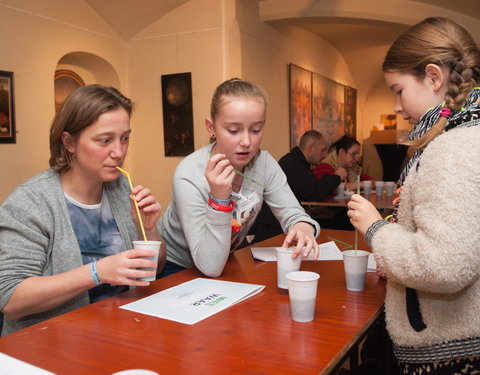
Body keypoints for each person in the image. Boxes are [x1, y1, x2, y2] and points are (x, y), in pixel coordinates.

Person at [347, 17, 480, 373]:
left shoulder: (453, 148)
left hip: (450, 354)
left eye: (398, 89)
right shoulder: (464, 134)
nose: (396, 106)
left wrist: (376, 229)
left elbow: (444, 264)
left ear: (434, 77)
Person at [0, 84, 166, 335]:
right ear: (69, 142)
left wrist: (150, 230)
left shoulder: (121, 190)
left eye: (124, 138)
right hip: (49, 343)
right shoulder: (31, 201)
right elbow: (10, 299)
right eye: (105, 140)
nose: (119, 152)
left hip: (120, 332)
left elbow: (158, 266)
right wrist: (97, 272)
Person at [159, 78, 320, 278]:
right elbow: (209, 265)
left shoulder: (264, 164)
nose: (246, 142)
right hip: (177, 265)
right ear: (211, 128)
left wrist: (302, 225)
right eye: (233, 130)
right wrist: (219, 199)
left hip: (224, 257)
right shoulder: (189, 174)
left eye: (255, 130)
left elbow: (293, 213)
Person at [250, 130, 347, 242]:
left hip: (283, 224)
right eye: (323, 150)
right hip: (274, 229)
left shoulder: (298, 162)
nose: (325, 155)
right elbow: (314, 192)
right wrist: (337, 177)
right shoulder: (292, 163)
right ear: (310, 148)